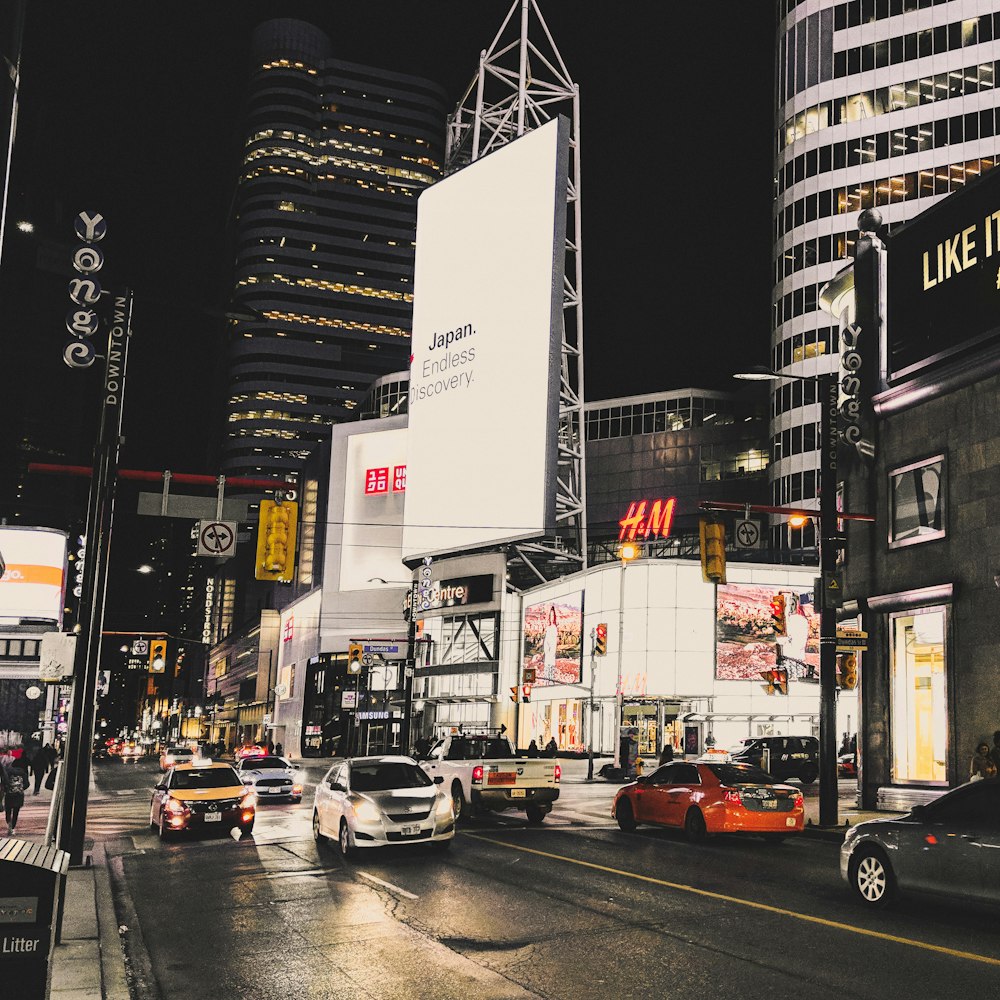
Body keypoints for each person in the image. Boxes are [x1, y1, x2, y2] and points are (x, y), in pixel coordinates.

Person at [2, 754, 29, 836]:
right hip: (19, 794)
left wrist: (6, 789)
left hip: (9, 794)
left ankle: (9, 824)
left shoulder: (8, 771)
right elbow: (27, 784)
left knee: (8, 811)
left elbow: (5, 781)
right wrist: (21, 788)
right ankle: (13, 828)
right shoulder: (23, 773)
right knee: (16, 812)